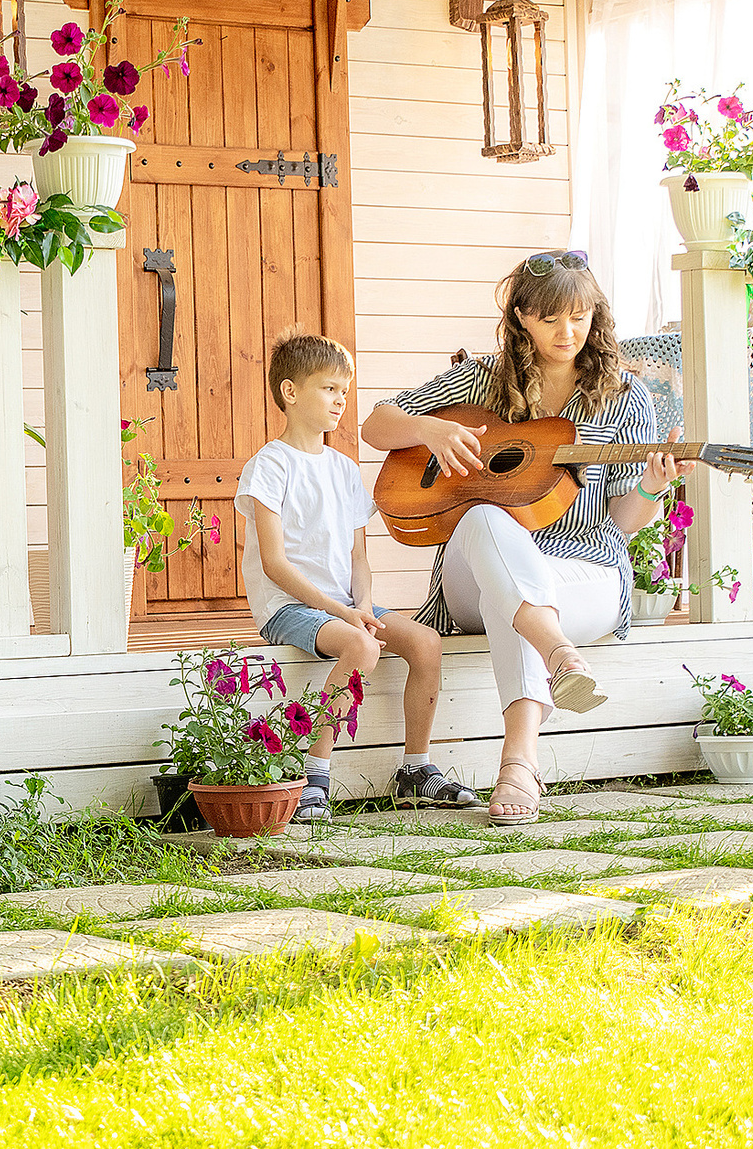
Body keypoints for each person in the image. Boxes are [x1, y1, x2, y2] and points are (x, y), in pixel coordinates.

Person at [358, 251, 681, 827]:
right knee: (486, 516)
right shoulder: (480, 378)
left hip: (585, 570)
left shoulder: (623, 396)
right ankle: (556, 652)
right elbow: (375, 424)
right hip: (470, 575)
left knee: (516, 602)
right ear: (523, 318)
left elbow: (624, 520)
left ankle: (519, 761)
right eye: (553, 317)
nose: (569, 332)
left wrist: (653, 489)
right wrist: (431, 429)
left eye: (581, 316)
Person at [237, 333, 479, 823]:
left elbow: (359, 559)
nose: (340, 400)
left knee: (426, 643)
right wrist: (345, 614)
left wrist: (363, 606)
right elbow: (275, 565)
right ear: (290, 392)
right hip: (290, 607)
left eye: (344, 391)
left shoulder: (345, 470)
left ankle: (415, 770)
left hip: (347, 604)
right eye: (329, 389)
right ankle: (314, 776)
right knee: (362, 647)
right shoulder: (269, 466)